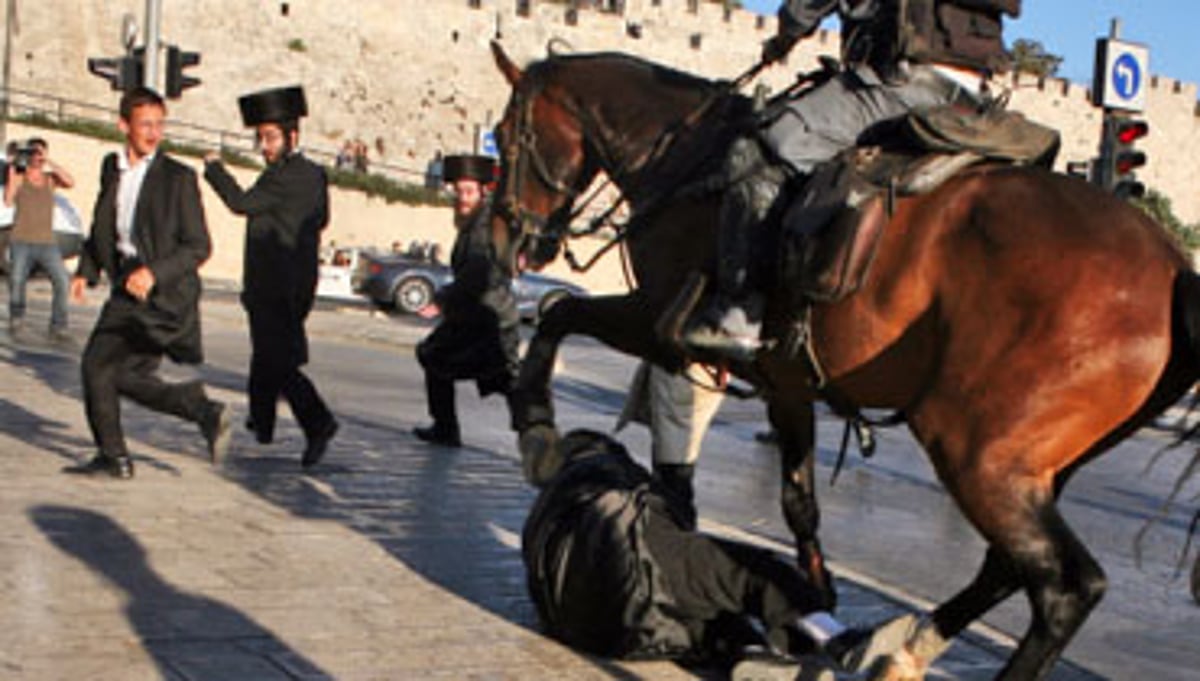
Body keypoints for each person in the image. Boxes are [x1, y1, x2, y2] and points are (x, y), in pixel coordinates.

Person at [684, 0, 1020, 359]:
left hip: (906, 84)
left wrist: (786, 36)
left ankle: (739, 313)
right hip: (974, 93)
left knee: (759, 151)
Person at [523, 429, 917, 679]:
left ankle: (750, 656)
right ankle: (840, 641)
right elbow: (666, 517)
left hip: (598, 631)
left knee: (703, 613)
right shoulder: (606, 471)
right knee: (752, 573)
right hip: (628, 551)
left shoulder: (541, 519)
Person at [67, 87, 231, 479]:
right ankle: (196, 412)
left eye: (160, 124)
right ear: (124, 125)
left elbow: (198, 246)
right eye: (145, 125)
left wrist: (153, 272)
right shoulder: (112, 167)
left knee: (102, 368)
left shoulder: (178, 178)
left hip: (163, 298)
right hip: (126, 287)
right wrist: (86, 271)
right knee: (113, 372)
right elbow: (102, 226)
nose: (154, 133)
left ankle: (117, 455)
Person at [204, 85, 339, 469]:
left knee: (278, 362)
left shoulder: (285, 176)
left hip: (276, 284)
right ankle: (261, 421)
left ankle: (318, 422)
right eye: (261, 138)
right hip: (291, 283)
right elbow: (322, 219)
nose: (264, 146)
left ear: (292, 137)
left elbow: (240, 203)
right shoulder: (314, 175)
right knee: (267, 355)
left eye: (270, 137)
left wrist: (214, 168)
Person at [412, 154, 519, 447]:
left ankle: (534, 433)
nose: (462, 198)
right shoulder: (474, 222)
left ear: (483, 191)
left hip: (487, 317)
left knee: (502, 378)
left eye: (469, 191)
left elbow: (477, 270)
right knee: (437, 358)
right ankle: (446, 427)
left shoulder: (484, 225)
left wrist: (443, 300)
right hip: (475, 315)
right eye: (458, 191)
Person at [5, 137, 75, 341]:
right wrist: (13, 172)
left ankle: (58, 326)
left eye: (39, 153)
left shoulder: (51, 179)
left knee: (62, 281)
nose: (36, 157)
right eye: (33, 153)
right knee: (17, 281)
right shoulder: (20, 176)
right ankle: (16, 319)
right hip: (21, 239)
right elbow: (8, 201)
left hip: (47, 242)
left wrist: (49, 161)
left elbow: (71, 181)